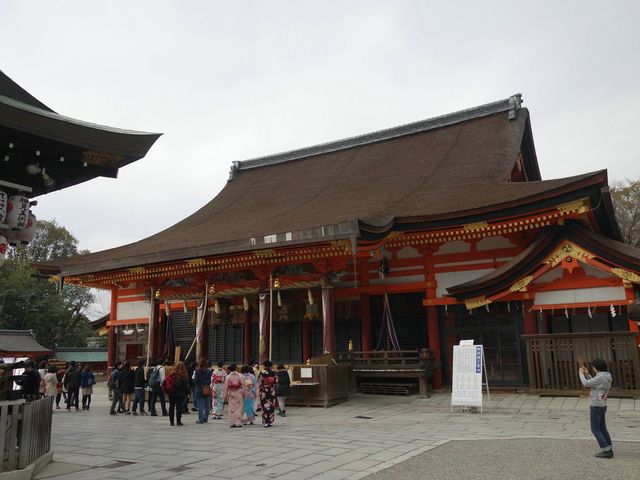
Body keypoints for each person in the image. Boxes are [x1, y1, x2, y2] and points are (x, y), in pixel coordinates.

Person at [579, 358, 613, 458]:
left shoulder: (600, 377)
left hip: (596, 405)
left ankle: (606, 450)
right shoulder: (606, 376)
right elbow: (594, 383)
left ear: (596, 367)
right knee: (602, 428)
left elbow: (586, 384)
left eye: (593, 367)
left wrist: (581, 374)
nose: (593, 368)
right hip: (602, 404)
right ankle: (609, 448)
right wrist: (587, 374)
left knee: (595, 429)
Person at [222, 364, 247, 428]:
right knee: (239, 407)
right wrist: (245, 393)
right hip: (239, 393)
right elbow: (244, 385)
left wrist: (224, 396)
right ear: (236, 368)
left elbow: (225, 388)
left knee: (232, 408)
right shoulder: (240, 376)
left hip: (231, 394)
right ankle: (238, 422)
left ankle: (232, 422)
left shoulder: (228, 377)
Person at [166, 361, 190, 426]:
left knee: (171, 407)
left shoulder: (172, 374)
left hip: (172, 393)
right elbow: (186, 386)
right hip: (180, 393)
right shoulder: (184, 375)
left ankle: (171, 422)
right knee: (179, 407)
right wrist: (188, 393)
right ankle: (178, 421)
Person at [257, 360, 277, 427]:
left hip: (264, 391)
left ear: (264, 365)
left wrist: (261, 387)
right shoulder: (273, 372)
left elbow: (259, 382)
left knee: (264, 405)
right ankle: (270, 421)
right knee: (271, 405)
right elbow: (276, 381)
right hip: (272, 390)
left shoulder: (262, 372)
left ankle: (265, 421)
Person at [193, 357, 212, 424]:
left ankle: (200, 419)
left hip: (199, 388)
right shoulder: (209, 371)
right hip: (206, 387)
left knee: (200, 405)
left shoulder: (197, 371)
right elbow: (210, 381)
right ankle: (205, 418)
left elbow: (195, 380)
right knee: (207, 405)